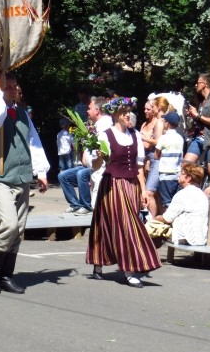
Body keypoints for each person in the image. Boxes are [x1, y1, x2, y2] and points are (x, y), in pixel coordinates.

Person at [0, 71, 50, 295]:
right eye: (8, 87)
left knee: (18, 230)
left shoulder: (22, 114)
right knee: (8, 225)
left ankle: (6, 276)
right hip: (1, 178)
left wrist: (41, 171)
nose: (13, 90)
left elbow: (34, 142)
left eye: (14, 86)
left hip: (21, 178)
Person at [87, 96, 161, 288]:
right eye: (124, 112)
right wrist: (99, 156)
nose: (129, 115)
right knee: (122, 224)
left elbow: (138, 168)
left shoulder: (135, 135)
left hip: (130, 186)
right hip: (112, 184)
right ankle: (129, 270)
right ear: (116, 115)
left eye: (129, 112)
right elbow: (95, 166)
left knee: (118, 223)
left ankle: (100, 263)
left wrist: (144, 191)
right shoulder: (104, 135)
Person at [57, 96, 110, 215]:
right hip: (90, 165)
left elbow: (103, 151)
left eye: (89, 108)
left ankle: (86, 205)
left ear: (97, 110)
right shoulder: (94, 125)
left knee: (81, 174)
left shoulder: (105, 125)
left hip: (100, 167)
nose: (87, 111)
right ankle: (75, 204)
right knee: (63, 176)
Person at [154, 163, 209, 245]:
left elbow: (167, 218)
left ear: (188, 178)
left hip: (185, 239)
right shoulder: (202, 195)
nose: (179, 175)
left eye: (182, 174)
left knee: (150, 228)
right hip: (201, 239)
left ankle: (147, 256)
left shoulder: (182, 194)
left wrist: (155, 218)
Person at [154, 112, 185, 210]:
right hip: (176, 174)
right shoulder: (180, 138)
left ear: (167, 124)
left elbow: (156, 155)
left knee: (166, 203)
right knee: (174, 201)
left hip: (165, 174)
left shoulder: (163, 138)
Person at [185, 73, 210, 168]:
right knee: (186, 165)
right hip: (198, 138)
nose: (195, 85)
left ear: (204, 84)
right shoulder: (202, 102)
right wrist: (193, 115)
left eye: (198, 83)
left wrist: (197, 115)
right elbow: (200, 119)